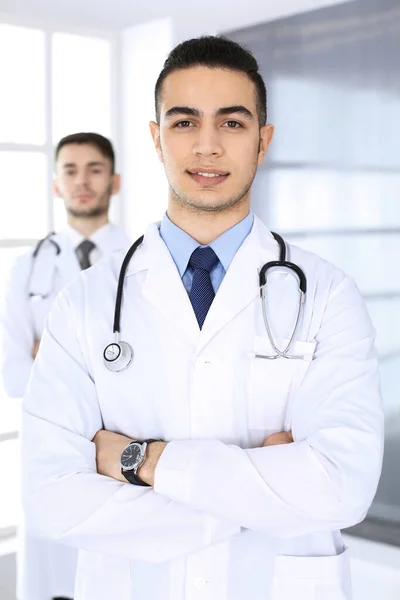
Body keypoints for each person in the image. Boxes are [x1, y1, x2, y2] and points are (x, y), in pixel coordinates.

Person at [21, 37, 383, 600]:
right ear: (155, 139)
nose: (207, 147)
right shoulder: (85, 302)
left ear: (262, 141)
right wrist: (261, 495)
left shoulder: (329, 295)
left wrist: (138, 460)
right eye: (185, 122)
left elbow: (342, 487)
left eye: (233, 124)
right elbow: (51, 497)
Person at [2, 132, 131, 600]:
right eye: (70, 171)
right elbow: (15, 377)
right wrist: (103, 368)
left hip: (121, 449)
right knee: (53, 582)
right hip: (50, 449)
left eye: (95, 169)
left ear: (114, 181)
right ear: (56, 184)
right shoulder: (25, 269)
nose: (83, 181)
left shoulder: (143, 260)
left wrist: (53, 358)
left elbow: (153, 375)